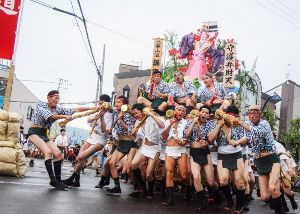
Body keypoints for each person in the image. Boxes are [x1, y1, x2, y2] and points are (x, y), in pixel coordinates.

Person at [27, 90, 98, 190]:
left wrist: (92, 108)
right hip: (34, 131)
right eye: (56, 98)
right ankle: (53, 180)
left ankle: (59, 181)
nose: (57, 100)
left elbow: (75, 109)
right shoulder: (41, 104)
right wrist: (64, 116)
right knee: (48, 152)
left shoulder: (57, 108)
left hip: (44, 133)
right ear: (49, 98)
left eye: (58, 99)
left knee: (59, 155)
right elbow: (50, 116)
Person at [239, 105, 282, 214]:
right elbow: (247, 138)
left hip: (272, 159)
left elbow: (257, 132)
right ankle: (276, 197)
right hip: (260, 161)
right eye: (250, 114)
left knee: (272, 187)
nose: (252, 116)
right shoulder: (248, 125)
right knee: (264, 197)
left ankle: (279, 209)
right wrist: (236, 142)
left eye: (255, 113)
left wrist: (241, 123)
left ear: (259, 114)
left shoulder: (265, 123)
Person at [63, 94, 112, 187]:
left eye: (101, 103)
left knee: (82, 157)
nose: (99, 105)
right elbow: (88, 120)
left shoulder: (110, 114)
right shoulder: (96, 110)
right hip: (92, 135)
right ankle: (76, 181)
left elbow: (104, 130)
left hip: (100, 139)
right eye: (99, 103)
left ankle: (71, 179)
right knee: (78, 158)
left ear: (106, 104)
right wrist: (95, 117)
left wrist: (101, 118)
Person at [208, 105, 247, 213]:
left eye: (234, 116)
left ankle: (240, 205)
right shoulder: (218, 123)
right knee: (223, 181)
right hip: (222, 155)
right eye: (229, 115)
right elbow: (210, 139)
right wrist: (219, 124)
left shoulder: (238, 125)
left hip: (236, 154)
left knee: (239, 182)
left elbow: (245, 137)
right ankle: (230, 201)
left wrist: (237, 142)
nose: (231, 118)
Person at [184, 106, 219, 210]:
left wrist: (206, 141)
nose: (204, 114)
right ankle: (201, 200)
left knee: (211, 182)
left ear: (209, 115)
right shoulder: (190, 122)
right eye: (202, 112)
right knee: (196, 177)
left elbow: (209, 139)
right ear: (199, 113)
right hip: (194, 152)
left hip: (205, 152)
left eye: (206, 113)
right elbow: (186, 135)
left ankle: (217, 191)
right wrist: (193, 123)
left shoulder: (210, 124)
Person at [130, 103, 165, 198]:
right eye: (134, 114)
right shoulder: (137, 122)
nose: (135, 116)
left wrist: (151, 114)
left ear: (143, 111)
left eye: (136, 113)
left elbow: (162, 126)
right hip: (144, 147)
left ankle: (150, 191)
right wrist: (134, 134)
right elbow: (137, 139)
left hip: (154, 148)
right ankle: (142, 186)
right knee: (133, 164)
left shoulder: (152, 118)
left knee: (149, 174)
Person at [106, 96, 136, 194]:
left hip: (130, 142)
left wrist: (121, 120)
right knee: (111, 163)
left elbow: (130, 129)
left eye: (119, 102)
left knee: (129, 168)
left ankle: (139, 187)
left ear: (124, 105)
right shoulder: (115, 112)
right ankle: (117, 187)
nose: (116, 103)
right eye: (116, 101)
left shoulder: (126, 114)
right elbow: (110, 108)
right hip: (121, 142)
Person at [161, 105, 188, 206]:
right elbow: (163, 138)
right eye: (179, 110)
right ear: (175, 111)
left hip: (181, 150)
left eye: (183, 111)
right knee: (169, 172)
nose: (180, 112)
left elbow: (187, 137)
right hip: (170, 150)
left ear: (185, 113)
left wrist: (183, 142)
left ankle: (187, 188)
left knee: (184, 175)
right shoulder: (168, 121)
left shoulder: (186, 123)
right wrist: (170, 124)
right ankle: (170, 198)